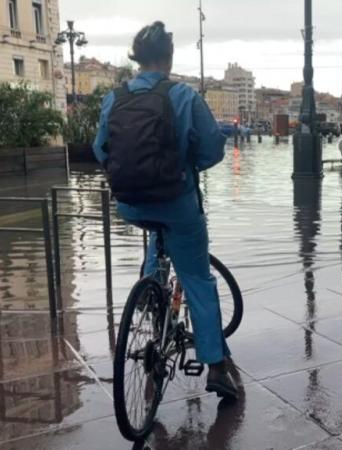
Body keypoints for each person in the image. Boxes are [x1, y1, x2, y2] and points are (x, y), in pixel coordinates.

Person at [93, 21, 237, 400]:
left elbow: (100, 149)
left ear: (137, 58)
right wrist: (188, 166)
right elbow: (213, 149)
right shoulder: (184, 96)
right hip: (177, 201)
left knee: (156, 235)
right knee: (197, 279)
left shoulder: (115, 97)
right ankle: (217, 366)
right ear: (169, 58)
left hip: (131, 204)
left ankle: (151, 297)